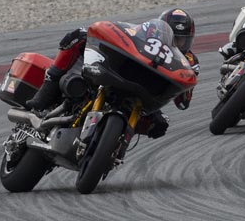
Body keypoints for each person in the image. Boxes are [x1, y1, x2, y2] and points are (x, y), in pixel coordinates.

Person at [25, 8, 201, 138]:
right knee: (77, 36)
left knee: (159, 126)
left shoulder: (188, 62)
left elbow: (183, 103)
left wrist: (188, 81)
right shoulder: (142, 35)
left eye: (181, 40)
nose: (177, 44)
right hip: (118, 77)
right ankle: (44, 94)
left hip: (148, 98)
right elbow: (122, 32)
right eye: (174, 38)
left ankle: (115, 147)